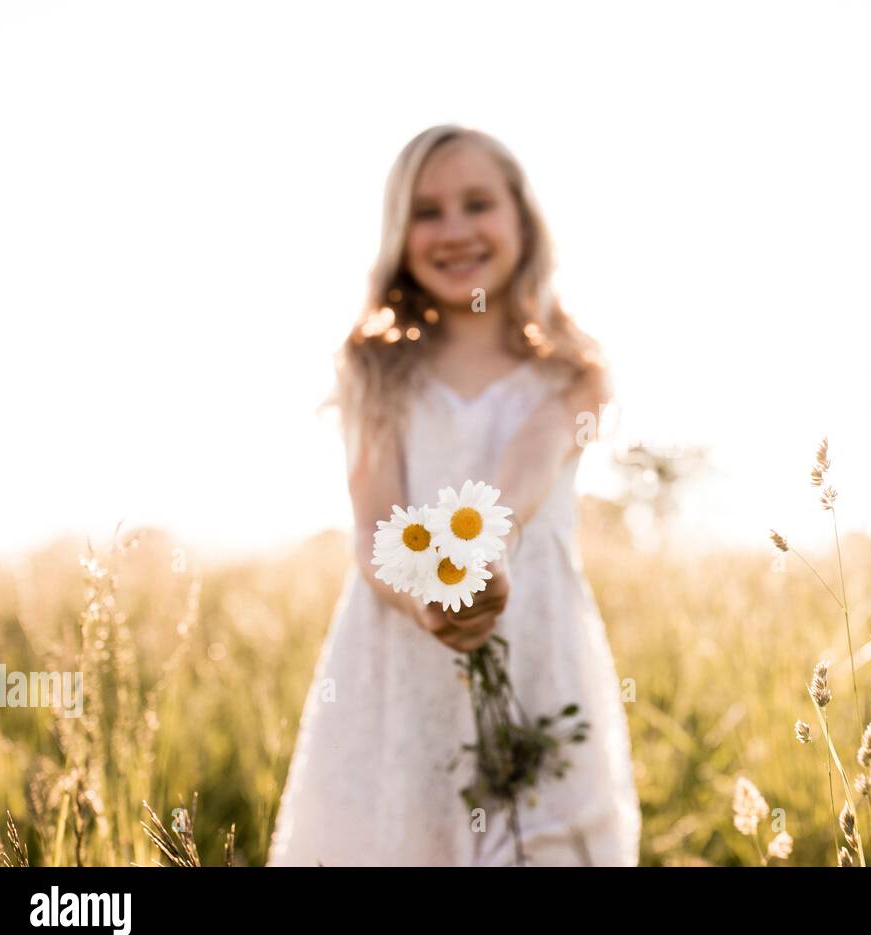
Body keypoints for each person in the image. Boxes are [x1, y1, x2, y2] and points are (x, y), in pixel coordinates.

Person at [268, 125, 640, 866]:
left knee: (542, 835)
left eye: (479, 204)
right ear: (399, 234)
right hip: (399, 662)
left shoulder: (572, 369)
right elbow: (375, 529)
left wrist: (485, 547)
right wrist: (427, 600)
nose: (456, 230)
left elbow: (532, 455)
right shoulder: (374, 364)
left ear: (521, 220)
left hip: (539, 656)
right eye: (427, 212)